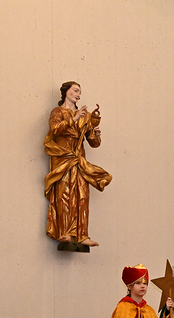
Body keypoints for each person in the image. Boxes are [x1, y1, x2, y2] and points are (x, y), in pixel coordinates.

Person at [44, 81, 112, 247]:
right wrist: (73, 119)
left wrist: (96, 134)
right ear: (66, 92)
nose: (78, 94)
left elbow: (93, 143)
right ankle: (65, 233)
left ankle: (82, 235)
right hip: (63, 157)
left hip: (78, 158)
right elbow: (54, 129)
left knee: (82, 195)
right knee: (64, 194)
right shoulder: (58, 111)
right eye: (75, 90)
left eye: (79, 92)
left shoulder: (85, 116)